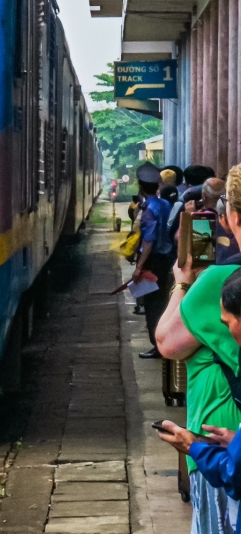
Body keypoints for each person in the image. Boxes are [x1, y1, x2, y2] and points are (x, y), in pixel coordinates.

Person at [157, 164, 241, 531]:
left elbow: (167, 342)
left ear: (230, 217)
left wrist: (181, 283)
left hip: (220, 442)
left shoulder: (219, 281)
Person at [137, 162, 175, 358]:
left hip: (153, 261)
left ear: (140, 187)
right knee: (162, 301)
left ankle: (157, 344)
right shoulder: (165, 204)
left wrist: (139, 266)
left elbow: (149, 240)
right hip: (167, 258)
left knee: (152, 304)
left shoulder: (149, 209)